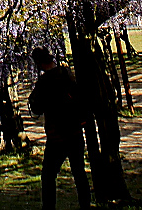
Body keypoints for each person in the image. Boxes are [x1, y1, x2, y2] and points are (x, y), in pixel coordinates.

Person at [28, 47, 90, 210]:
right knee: (79, 172)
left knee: (48, 175)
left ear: (39, 63)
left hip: (57, 137)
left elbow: (36, 108)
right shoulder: (66, 74)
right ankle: (86, 206)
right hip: (75, 133)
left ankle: (49, 208)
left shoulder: (44, 82)